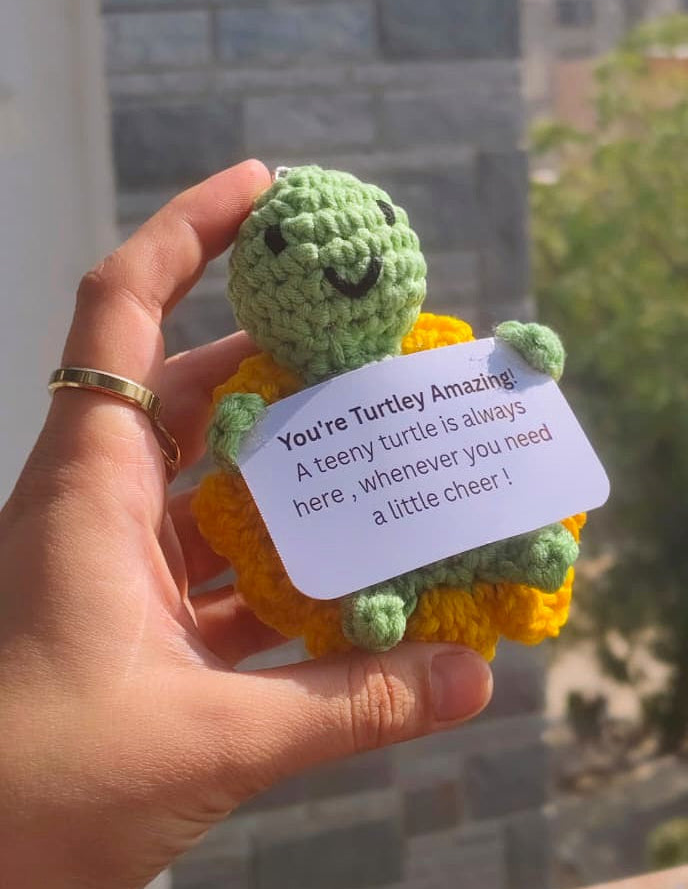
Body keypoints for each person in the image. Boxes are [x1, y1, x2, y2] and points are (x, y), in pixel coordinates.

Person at [0, 159, 493, 889]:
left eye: (384, 221)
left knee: (489, 543)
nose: (351, 264)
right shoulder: (269, 391)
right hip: (340, 538)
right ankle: (391, 590)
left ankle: (506, 554)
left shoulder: (434, 353)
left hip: (442, 504)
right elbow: (238, 422)